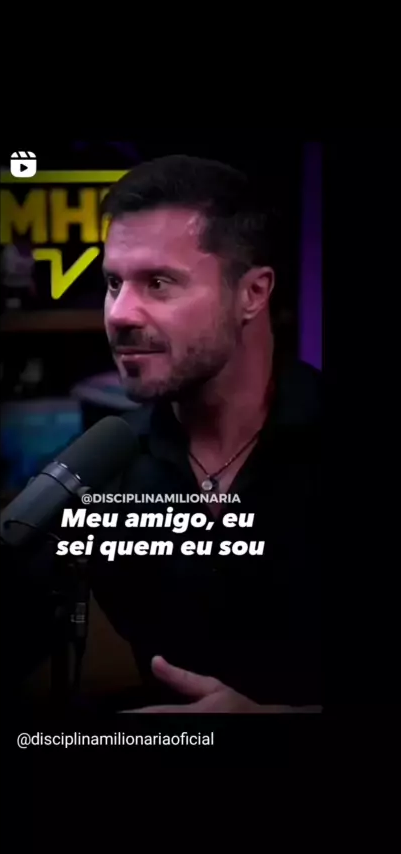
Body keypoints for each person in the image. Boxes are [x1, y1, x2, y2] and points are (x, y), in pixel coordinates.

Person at [85, 154, 322, 713]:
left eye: (158, 282)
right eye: (114, 283)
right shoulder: (106, 470)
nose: (119, 314)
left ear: (253, 294)